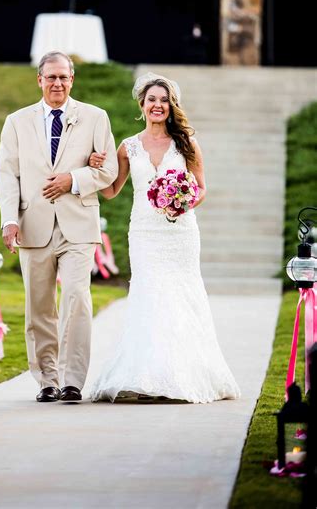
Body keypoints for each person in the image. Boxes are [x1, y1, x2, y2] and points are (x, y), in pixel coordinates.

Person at [88, 72, 240, 403]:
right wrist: (96, 166)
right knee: (149, 295)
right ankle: (144, 377)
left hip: (180, 232)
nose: (158, 105)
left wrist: (182, 201)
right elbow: (113, 190)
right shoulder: (128, 147)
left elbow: (201, 188)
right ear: (141, 104)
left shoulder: (186, 142)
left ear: (172, 106)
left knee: (182, 296)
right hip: (144, 232)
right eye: (152, 100)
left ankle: (183, 375)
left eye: (164, 100)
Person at [0, 51, 118, 403]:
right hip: (32, 225)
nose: (57, 83)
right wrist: (9, 219)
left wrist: (73, 179)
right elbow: (7, 175)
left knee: (77, 299)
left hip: (78, 225)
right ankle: (47, 380)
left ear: (72, 79)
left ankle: (72, 381)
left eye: (64, 77)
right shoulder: (16, 122)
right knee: (39, 306)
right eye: (51, 77)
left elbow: (108, 171)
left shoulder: (95, 117)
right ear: (39, 80)